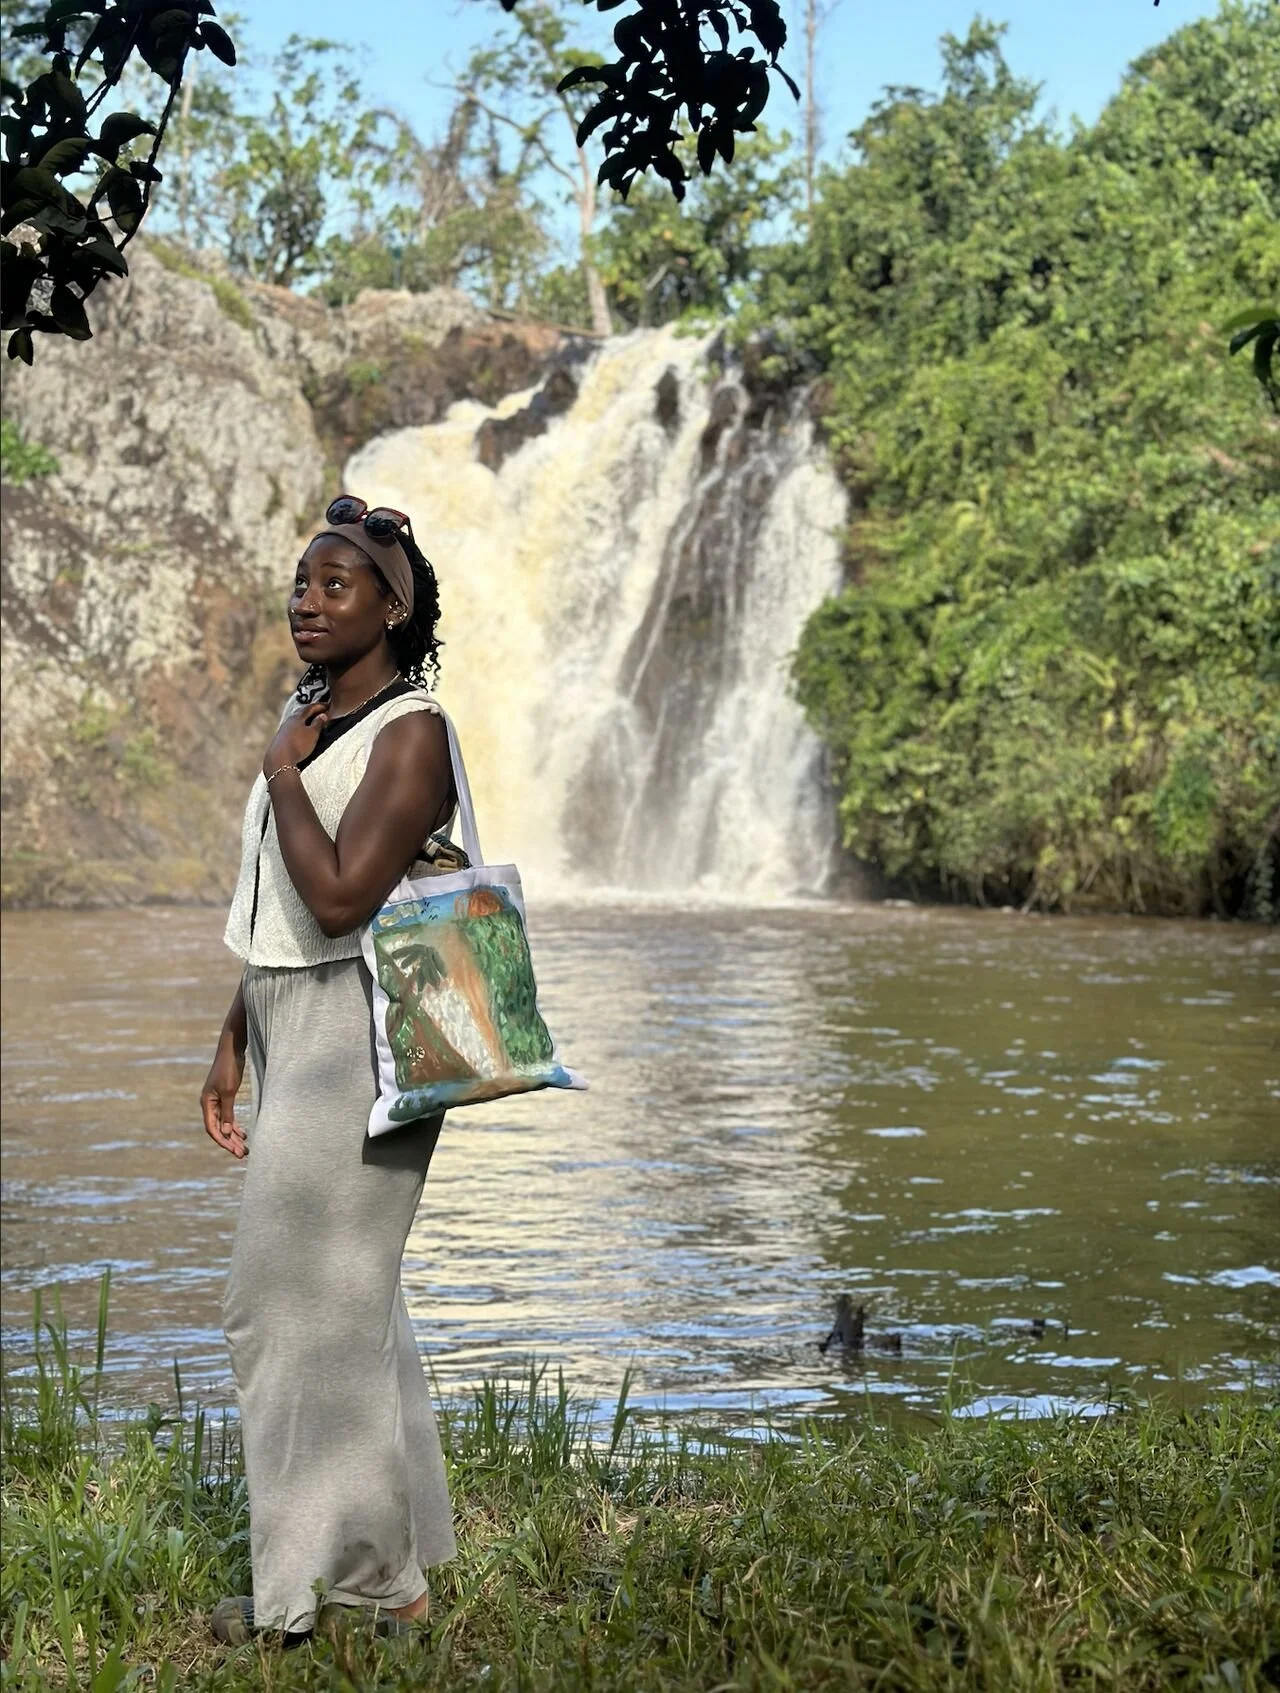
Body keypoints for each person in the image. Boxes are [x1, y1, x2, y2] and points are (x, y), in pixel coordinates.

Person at [200, 495, 458, 1644]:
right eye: (301, 581)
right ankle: (390, 1577)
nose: (308, 600)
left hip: (361, 1031)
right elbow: (278, 906)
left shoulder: (413, 732)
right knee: (352, 1307)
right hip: (287, 1018)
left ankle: (304, 1593)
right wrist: (233, 1034)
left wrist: (284, 775)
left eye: (338, 583)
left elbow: (346, 894)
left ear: (394, 608)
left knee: (274, 1306)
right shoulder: (310, 718)